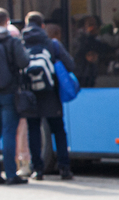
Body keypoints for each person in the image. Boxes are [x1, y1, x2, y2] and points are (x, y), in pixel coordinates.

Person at [22, 12, 75, 181]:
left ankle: (38, 169)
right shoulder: (53, 44)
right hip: (51, 95)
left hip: (30, 96)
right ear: (42, 26)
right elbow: (70, 65)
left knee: (34, 132)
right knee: (58, 130)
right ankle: (64, 169)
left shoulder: (22, 44)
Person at [0, 8, 30, 185]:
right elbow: (24, 62)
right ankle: (11, 173)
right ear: (7, 21)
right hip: (9, 92)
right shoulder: (13, 42)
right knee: (9, 132)